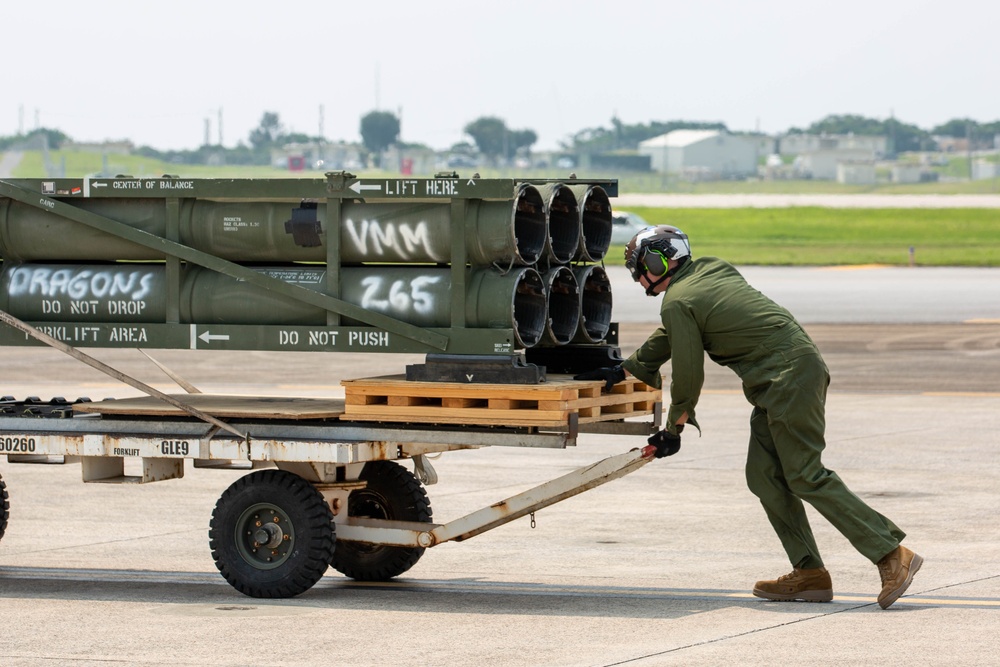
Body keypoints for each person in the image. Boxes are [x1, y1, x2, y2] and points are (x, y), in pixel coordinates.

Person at [574, 225, 922, 609]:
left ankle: (891, 553)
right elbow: (674, 333)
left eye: (639, 266)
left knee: (805, 475)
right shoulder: (710, 271)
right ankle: (809, 574)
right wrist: (625, 369)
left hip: (788, 378)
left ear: (658, 262)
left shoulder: (678, 300)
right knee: (764, 475)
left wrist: (672, 428)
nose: (638, 276)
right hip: (783, 378)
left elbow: (689, 371)